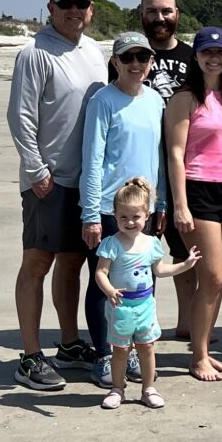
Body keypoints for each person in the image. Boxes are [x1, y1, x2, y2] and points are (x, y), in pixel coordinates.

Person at [7, 0, 106, 390]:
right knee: (37, 262)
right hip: (48, 180)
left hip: (86, 180)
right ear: (51, 9)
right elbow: (21, 115)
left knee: (72, 262)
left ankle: (69, 344)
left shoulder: (95, 51)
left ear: (91, 10)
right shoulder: (36, 52)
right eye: (66, 4)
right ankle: (30, 357)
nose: (74, 11)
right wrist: (36, 170)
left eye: (81, 4)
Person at [165, 27, 222, 381]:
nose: (214, 58)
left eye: (220, 52)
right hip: (198, 190)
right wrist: (180, 204)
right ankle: (199, 356)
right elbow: (175, 153)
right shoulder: (185, 98)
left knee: (218, 280)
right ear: (197, 56)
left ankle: (202, 347)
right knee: (212, 276)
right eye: (207, 52)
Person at [80, 31, 169, 388]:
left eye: (142, 58)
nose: (136, 65)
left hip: (143, 209)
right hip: (107, 209)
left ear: (150, 62)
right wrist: (90, 214)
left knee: (140, 280)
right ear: (115, 62)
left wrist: (160, 202)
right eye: (128, 58)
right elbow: (92, 158)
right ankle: (105, 353)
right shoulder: (103, 100)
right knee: (103, 283)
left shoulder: (156, 101)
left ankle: (131, 349)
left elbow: (159, 157)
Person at [120, 0, 198, 342]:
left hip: (184, 169)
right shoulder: (130, 55)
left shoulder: (192, 56)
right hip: (140, 172)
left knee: (183, 251)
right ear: (141, 14)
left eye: (166, 11)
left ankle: (186, 322)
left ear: (177, 14)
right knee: (138, 252)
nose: (160, 18)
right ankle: (140, 322)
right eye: (152, 11)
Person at [96, 178, 202, 409]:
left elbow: (161, 270)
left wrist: (186, 264)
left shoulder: (152, 243)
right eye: (123, 217)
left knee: (147, 347)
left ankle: (148, 389)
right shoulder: (111, 244)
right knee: (121, 350)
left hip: (144, 305)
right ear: (115, 215)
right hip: (121, 306)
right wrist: (109, 290)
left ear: (147, 215)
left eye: (135, 216)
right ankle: (117, 389)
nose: (129, 222)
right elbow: (100, 273)